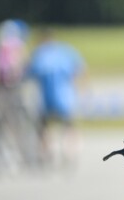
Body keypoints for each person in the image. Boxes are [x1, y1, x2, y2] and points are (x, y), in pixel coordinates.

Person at [24, 30, 85, 165]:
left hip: (46, 97)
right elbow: (77, 69)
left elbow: (29, 74)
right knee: (68, 125)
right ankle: (70, 152)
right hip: (65, 96)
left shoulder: (39, 55)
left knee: (43, 125)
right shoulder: (64, 52)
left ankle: (46, 152)